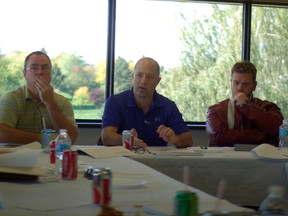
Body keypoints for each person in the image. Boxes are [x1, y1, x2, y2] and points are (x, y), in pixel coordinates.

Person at [101, 57, 193, 148]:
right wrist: (128, 140)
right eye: (139, 75)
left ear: (157, 81)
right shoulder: (115, 102)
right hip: (124, 160)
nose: (143, 81)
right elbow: (106, 137)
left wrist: (175, 139)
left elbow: (188, 140)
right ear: (132, 77)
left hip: (156, 161)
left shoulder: (168, 106)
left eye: (149, 77)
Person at [0, 51, 78, 144]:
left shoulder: (62, 102)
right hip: (16, 156)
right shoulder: (12, 98)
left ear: (51, 73)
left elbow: (71, 138)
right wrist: (42, 139)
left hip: (50, 157)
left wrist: (50, 103)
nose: (40, 72)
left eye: (45, 68)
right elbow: (2, 133)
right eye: (34, 68)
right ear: (25, 74)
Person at [206, 61, 283, 147]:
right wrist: (260, 135)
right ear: (231, 82)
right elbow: (218, 138)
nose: (240, 88)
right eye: (236, 82)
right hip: (227, 160)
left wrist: (245, 106)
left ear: (254, 86)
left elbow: (278, 130)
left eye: (245, 84)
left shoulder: (268, 107)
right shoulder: (215, 110)